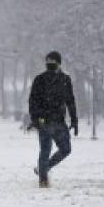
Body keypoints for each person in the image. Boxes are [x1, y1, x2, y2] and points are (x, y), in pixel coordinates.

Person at [28, 51, 78, 188]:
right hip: (44, 121)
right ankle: (43, 180)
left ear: (59, 63)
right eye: (48, 61)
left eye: (52, 61)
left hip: (59, 122)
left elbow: (70, 101)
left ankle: (43, 169)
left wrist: (74, 120)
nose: (50, 64)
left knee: (65, 149)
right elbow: (33, 101)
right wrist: (35, 118)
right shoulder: (40, 79)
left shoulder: (65, 79)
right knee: (45, 150)